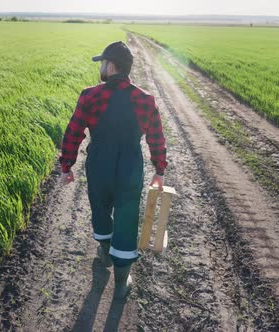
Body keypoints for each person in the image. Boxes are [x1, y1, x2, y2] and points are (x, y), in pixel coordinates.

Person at [57, 41, 168, 299]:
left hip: (99, 163)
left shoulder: (90, 95)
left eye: (103, 63)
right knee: (127, 217)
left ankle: (105, 251)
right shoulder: (145, 99)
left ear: (112, 65)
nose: (101, 68)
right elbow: (156, 138)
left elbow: (73, 132)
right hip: (130, 164)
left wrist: (67, 166)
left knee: (100, 207)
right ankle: (121, 281)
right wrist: (159, 170)